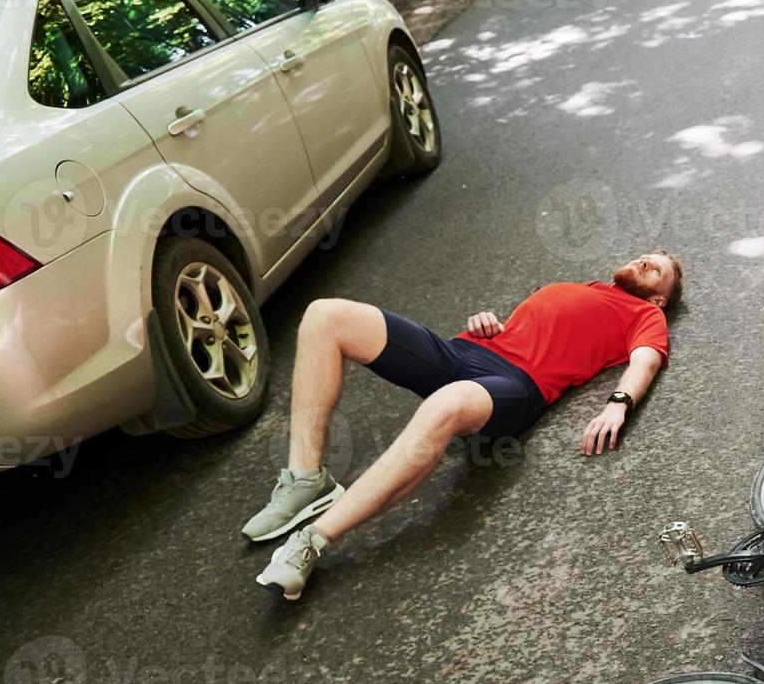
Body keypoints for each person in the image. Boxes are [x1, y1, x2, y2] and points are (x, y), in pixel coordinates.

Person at [243, 250, 684, 600]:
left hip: (515, 383)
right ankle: (305, 479)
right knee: (325, 314)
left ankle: (313, 539)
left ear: (659, 298)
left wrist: (619, 404)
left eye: (656, 269)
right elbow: (528, 326)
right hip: (463, 353)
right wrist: (489, 323)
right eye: (646, 255)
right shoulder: (583, 288)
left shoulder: (645, 316)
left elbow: (646, 359)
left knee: (446, 404)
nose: (646, 260)